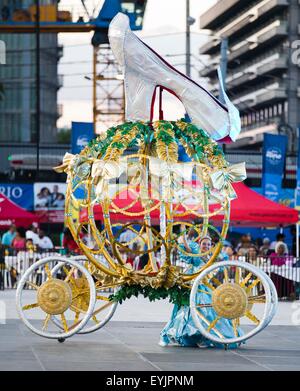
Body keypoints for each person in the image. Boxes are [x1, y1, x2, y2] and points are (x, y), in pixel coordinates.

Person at [159, 233, 243, 348]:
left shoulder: (213, 257)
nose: (206, 246)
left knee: (208, 312)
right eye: (204, 244)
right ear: (200, 244)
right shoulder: (196, 256)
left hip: (205, 288)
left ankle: (204, 338)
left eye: (208, 244)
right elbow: (187, 249)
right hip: (193, 288)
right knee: (187, 312)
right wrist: (183, 239)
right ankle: (183, 336)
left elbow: (223, 259)